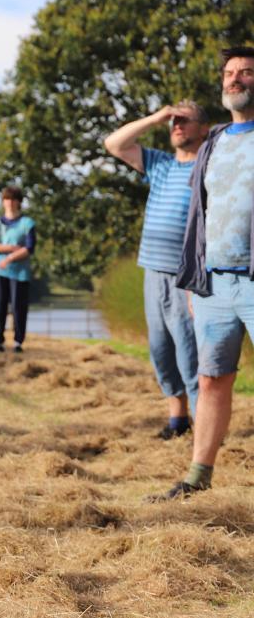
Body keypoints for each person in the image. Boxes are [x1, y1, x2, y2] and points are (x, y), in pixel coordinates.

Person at [158, 45, 254, 499]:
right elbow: (203, 213)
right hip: (215, 282)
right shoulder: (214, 140)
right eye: (229, 73)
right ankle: (198, 476)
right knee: (212, 378)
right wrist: (197, 281)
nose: (235, 80)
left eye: (246, 73)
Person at [104, 100, 209, 440]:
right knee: (161, 351)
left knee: (190, 354)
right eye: (173, 121)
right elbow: (113, 144)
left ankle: (205, 433)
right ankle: (178, 422)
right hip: (152, 272)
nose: (176, 125)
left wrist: (199, 278)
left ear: (203, 129)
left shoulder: (208, 167)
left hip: (187, 278)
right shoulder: (160, 164)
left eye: (184, 120)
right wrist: (158, 116)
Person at [0, 186, 36, 352]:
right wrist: (11, 248)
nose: (10, 203)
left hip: (20, 272)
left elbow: (29, 248)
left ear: (19, 202)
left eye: (13, 199)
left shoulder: (27, 223)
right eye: (7, 199)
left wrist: (10, 258)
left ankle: (18, 341)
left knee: (18, 307)